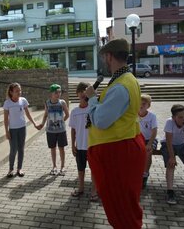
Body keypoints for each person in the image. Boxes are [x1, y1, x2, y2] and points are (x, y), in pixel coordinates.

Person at [85, 38, 145, 228]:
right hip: (121, 148)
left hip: (118, 153)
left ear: (109, 56)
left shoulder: (120, 86)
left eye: (104, 57)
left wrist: (92, 100)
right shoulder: (126, 79)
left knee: (122, 209)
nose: (104, 61)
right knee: (123, 205)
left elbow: (101, 121)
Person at [68, 82, 97, 200]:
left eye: (85, 91)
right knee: (80, 169)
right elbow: (73, 129)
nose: (82, 94)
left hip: (92, 146)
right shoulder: (74, 111)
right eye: (80, 92)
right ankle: (81, 188)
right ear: (77, 94)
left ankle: (94, 191)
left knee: (94, 170)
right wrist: (73, 144)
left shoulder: (93, 108)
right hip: (80, 146)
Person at [3, 82, 38, 178]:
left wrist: (34, 123)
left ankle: (19, 168)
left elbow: (28, 114)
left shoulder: (23, 101)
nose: (19, 92)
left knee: (21, 149)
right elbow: (6, 119)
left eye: (20, 90)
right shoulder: (7, 103)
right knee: (13, 150)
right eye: (16, 91)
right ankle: (11, 169)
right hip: (13, 130)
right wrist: (6, 131)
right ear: (11, 92)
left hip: (22, 128)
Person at [160, 104, 184, 205]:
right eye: (180, 117)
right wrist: (172, 157)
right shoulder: (169, 122)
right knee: (171, 164)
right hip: (168, 144)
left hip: (182, 144)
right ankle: (170, 191)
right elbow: (169, 141)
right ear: (174, 117)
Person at [37, 84, 69, 176]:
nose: (58, 94)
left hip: (61, 130)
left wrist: (62, 122)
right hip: (50, 130)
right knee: (53, 149)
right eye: (56, 92)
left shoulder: (62, 102)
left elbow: (67, 114)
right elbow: (46, 114)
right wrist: (42, 123)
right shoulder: (47, 103)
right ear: (51, 93)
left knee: (61, 148)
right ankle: (54, 166)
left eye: (59, 92)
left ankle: (62, 167)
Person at [138, 94, 158, 189]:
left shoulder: (152, 116)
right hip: (138, 139)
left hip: (150, 139)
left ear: (148, 106)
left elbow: (154, 131)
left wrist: (150, 143)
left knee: (148, 151)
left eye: (144, 104)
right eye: (139, 103)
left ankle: (145, 175)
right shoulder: (134, 115)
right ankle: (135, 174)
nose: (141, 105)